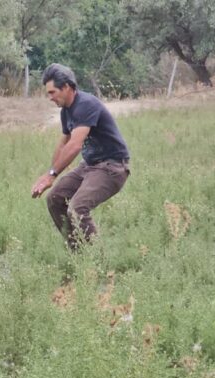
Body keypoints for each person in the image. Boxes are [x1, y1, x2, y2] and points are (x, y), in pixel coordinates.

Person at [31, 64, 131, 250]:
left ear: (67, 87)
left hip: (112, 167)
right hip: (90, 165)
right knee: (55, 199)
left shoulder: (86, 105)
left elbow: (75, 145)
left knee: (77, 210)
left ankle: (98, 262)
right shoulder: (66, 111)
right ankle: (78, 254)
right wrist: (48, 175)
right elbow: (64, 144)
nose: (50, 98)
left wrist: (52, 174)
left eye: (52, 92)